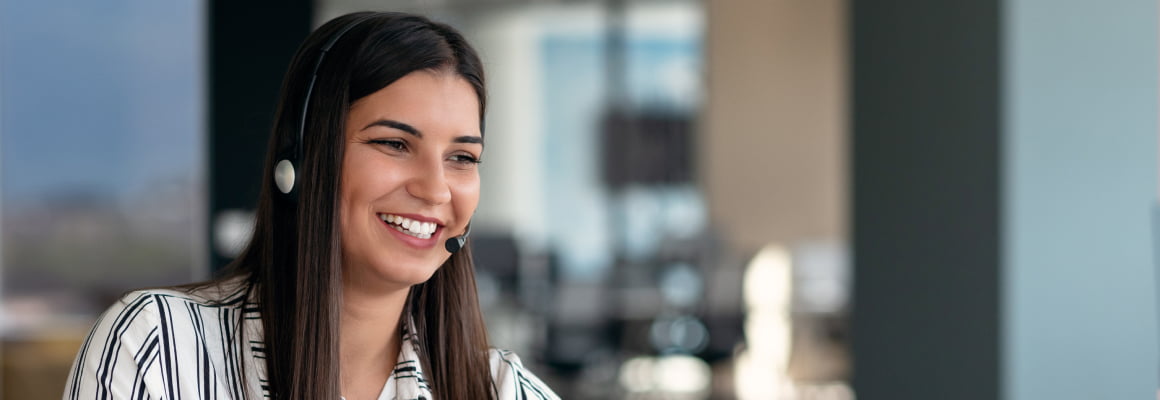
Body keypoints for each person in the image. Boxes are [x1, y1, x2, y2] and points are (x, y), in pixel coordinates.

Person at [63, 11, 559, 400]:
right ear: (301, 160)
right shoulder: (160, 348)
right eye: (393, 144)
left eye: (461, 157)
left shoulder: (501, 390)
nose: (436, 190)